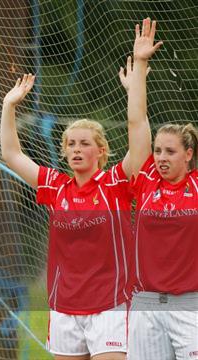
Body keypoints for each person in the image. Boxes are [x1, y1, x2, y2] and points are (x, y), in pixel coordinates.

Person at [0, 74, 135, 359]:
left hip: (109, 306)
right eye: (71, 143)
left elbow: (139, 142)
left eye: (84, 143)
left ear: (101, 151)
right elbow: (12, 154)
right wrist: (8, 105)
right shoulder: (55, 186)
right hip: (64, 307)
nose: (76, 148)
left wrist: (135, 90)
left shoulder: (115, 183)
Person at [124, 18, 198, 360]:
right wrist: (140, 63)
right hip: (145, 305)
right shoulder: (147, 179)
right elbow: (137, 120)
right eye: (157, 151)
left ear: (189, 153)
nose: (161, 157)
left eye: (170, 151)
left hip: (191, 306)